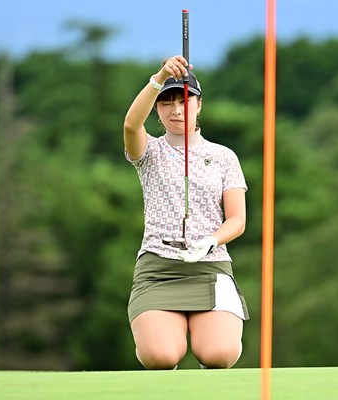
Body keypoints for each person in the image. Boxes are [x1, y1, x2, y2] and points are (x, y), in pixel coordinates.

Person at [123, 55, 249, 370]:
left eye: (185, 101)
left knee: (219, 354)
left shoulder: (223, 156)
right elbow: (130, 124)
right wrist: (160, 76)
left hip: (211, 268)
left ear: (199, 105)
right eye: (166, 103)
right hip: (158, 270)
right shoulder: (149, 151)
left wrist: (211, 240)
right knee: (160, 356)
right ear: (157, 109)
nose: (177, 110)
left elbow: (237, 220)